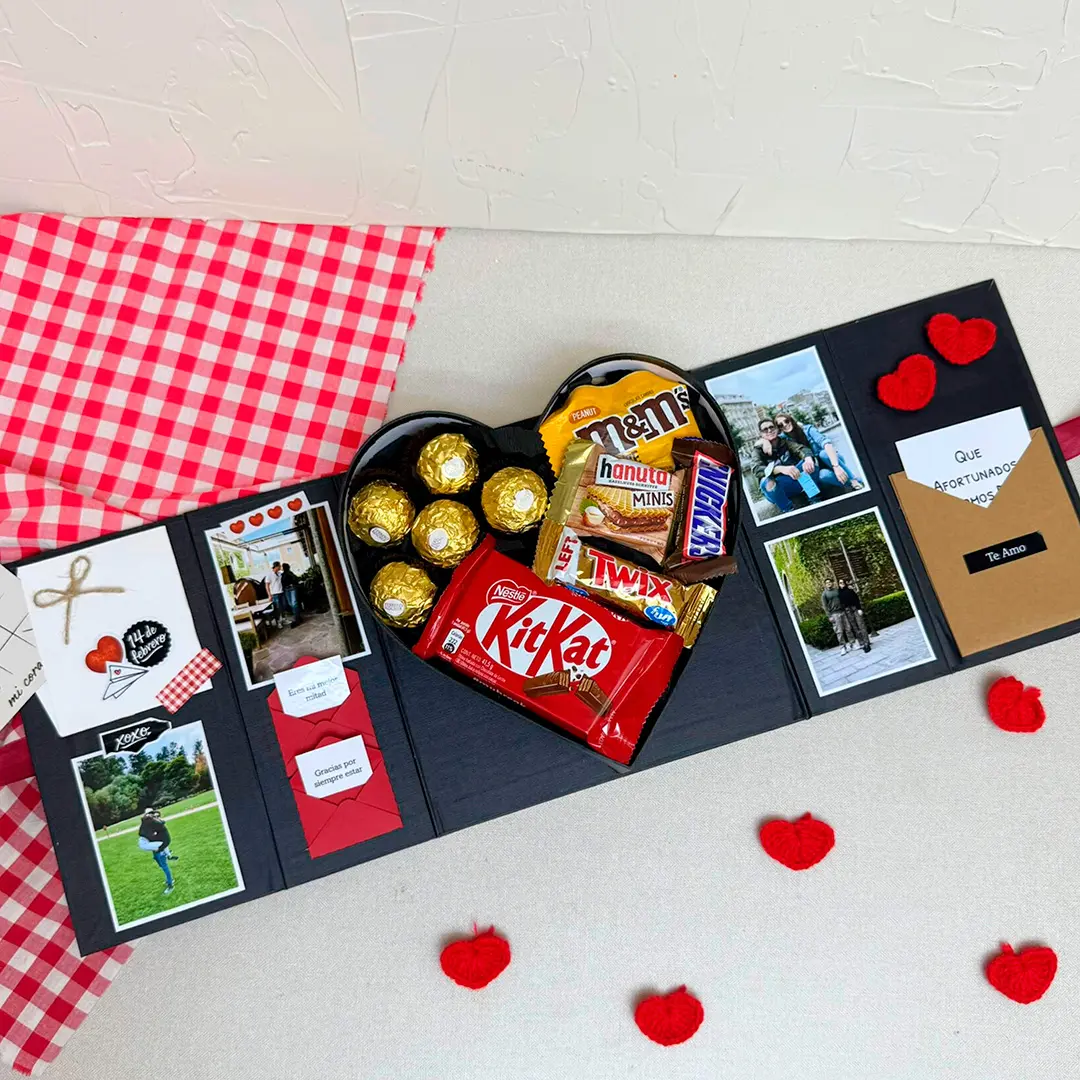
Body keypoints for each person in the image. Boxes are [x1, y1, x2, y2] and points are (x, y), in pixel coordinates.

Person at [775, 413, 864, 495]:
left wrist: (836, 467)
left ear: (791, 420)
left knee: (823, 454)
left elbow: (827, 444)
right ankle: (849, 485)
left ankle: (854, 480)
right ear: (779, 428)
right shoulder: (784, 439)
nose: (785, 425)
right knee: (823, 475)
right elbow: (771, 438)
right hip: (818, 467)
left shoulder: (807, 429)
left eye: (786, 421)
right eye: (780, 425)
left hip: (831, 459)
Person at [752, 417, 820, 514]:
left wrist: (808, 458)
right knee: (766, 481)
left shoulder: (784, 441)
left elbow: (801, 449)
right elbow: (756, 469)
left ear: (776, 429)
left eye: (771, 427)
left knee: (809, 462)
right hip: (777, 488)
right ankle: (788, 510)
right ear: (761, 434)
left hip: (794, 480)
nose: (769, 430)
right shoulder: (757, 451)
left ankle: (814, 500)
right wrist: (778, 469)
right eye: (765, 429)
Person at [137, 807, 179, 896]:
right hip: (157, 846)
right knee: (159, 862)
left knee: (164, 865)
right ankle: (169, 877)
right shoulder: (150, 822)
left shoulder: (156, 821)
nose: (149, 816)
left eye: (151, 814)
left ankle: (170, 884)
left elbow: (161, 825)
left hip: (161, 846)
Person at [838, 577, 871, 653]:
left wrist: (859, 609)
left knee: (861, 625)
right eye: (840, 583)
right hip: (847, 611)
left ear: (845, 583)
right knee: (855, 627)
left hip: (855, 609)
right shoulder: (838, 593)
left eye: (843, 582)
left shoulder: (850, 590)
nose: (841, 584)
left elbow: (856, 599)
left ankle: (866, 642)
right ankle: (861, 642)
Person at [819, 577, 851, 652]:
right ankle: (843, 647)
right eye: (827, 583)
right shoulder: (824, 594)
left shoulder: (837, 590)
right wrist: (829, 616)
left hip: (842, 611)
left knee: (848, 628)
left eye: (830, 582)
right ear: (825, 584)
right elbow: (825, 606)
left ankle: (852, 643)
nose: (828, 583)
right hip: (834, 614)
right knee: (839, 631)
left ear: (832, 583)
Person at [264, 562, 286, 627]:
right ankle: (279, 622)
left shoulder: (279, 574)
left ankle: (284, 619)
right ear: (276, 566)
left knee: (283, 606)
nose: (280, 567)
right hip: (275, 594)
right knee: (277, 608)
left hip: (281, 592)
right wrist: (269, 595)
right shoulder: (269, 575)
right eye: (279, 566)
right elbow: (267, 586)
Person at [280, 562, 301, 628]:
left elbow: (296, 579)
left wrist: (292, 584)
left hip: (292, 588)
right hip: (287, 589)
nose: (281, 568)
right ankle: (298, 617)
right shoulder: (282, 574)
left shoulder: (289, 573)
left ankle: (297, 619)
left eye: (282, 567)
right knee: (291, 604)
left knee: (294, 603)